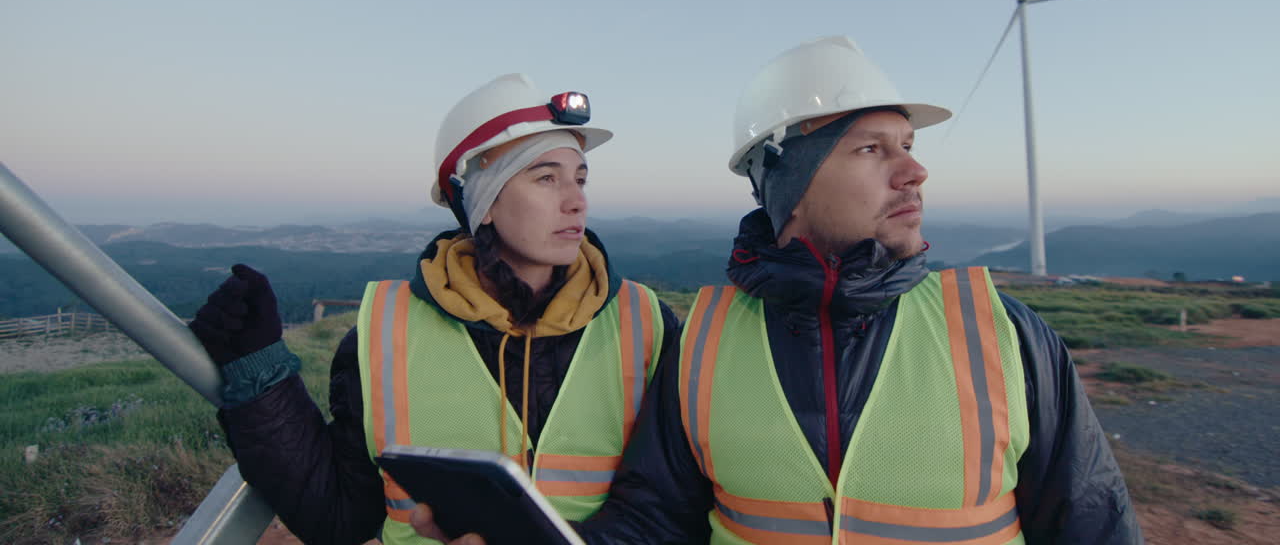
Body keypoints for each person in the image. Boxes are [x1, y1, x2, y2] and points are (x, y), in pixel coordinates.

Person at [572, 36, 1142, 544]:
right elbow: (655, 521)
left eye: (909, 145)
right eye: (872, 149)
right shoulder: (702, 344)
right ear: (787, 184)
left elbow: (1091, 519)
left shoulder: (1004, 334)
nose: (914, 172)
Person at [189, 73, 680, 545]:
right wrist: (260, 377)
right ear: (481, 203)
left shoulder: (647, 324)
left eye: (580, 177)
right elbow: (338, 517)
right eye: (546, 178)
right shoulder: (386, 330)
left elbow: (670, 509)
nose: (577, 202)